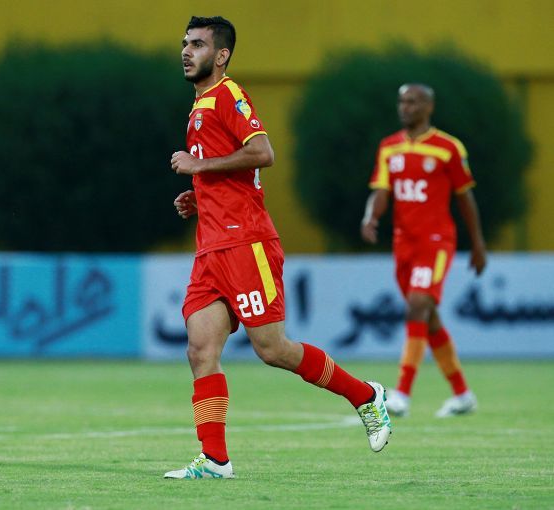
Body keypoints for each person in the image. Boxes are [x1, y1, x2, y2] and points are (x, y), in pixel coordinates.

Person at [164, 15, 391, 480]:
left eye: (198, 44)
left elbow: (263, 152)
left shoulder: (228, 94)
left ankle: (366, 396)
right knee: (200, 349)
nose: (187, 51)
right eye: (185, 43)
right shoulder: (200, 106)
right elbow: (233, 173)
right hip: (211, 247)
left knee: (272, 348)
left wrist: (199, 168)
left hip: (246, 242)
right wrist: (200, 196)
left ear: (221, 55)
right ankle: (215, 460)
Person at [360, 83, 487, 418]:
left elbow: (465, 196)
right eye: (402, 101)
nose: (406, 107)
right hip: (404, 244)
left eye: (413, 102)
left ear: (429, 107)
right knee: (427, 318)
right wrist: (371, 216)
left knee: (417, 306)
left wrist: (477, 243)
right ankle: (462, 394)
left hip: (436, 241)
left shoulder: (447, 147)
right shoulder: (389, 147)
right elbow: (381, 190)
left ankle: (401, 393)